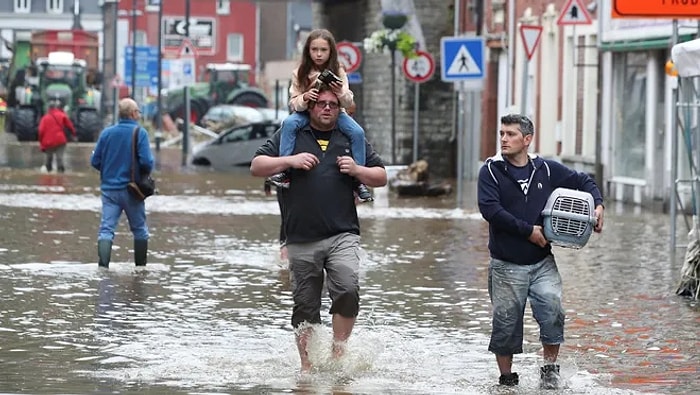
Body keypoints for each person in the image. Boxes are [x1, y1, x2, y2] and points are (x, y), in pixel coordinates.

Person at [250, 85, 387, 372]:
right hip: (301, 236)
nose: (327, 108)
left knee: (348, 289)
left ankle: (339, 354)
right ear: (310, 107)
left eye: (333, 105)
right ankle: (307, 367)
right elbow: (256, 166)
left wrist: (358, 170)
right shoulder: (292, 135)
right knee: (305, 306)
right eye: (321, 103)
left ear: (340, 109)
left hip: (343, 233)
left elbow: (381, 176)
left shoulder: (350, 137)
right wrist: (290, 161)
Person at [477, 114, 605, 389]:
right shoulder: (490, 171)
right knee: (506, 321)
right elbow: (490, 210)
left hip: (542, 261)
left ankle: (549, 369)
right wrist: (528, 231)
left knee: (552, 309)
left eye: (510, 134)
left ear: (527, 139)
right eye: (501, 133)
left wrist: (598, 204)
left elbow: (584, 181)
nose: (503, 139)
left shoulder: (545, 169)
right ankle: (507, 378)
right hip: (506, 263)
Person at [266, 28, 373, 203]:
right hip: (306, 112)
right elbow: (293, 102)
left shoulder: (339, 71)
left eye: (323, 50)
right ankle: (284, 171)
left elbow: (348, 102)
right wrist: (305, 97)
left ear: (330, 52)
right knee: (289, 124)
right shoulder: (299, 72)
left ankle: (358, 181)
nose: (318, 54)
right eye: (314, 50)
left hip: (336, 113)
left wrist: (340, 93)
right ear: (308, 51)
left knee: (357, 132)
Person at [90, 98, 154, 268]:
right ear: (133, 113)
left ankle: (103, 268)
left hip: (109, 191)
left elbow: (95, 161)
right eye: (138, 111)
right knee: (140, 230)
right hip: (132, 190)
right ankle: (140, 269)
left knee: (106, 229)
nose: (139, 114)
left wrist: (110, 171)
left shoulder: (106, 133)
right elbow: (147, 162)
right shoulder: (140, 133)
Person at [38, 99, 76, 173]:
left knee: (48, 159)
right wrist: (73, 134)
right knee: (60, 158)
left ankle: (49, 173)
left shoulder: (45, 118)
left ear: (48, 108)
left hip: (48, 141)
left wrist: (41, 142)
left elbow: (40, 131)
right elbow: (70, 126)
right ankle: (61, 175)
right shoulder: (62, 115)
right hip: (60, 140)